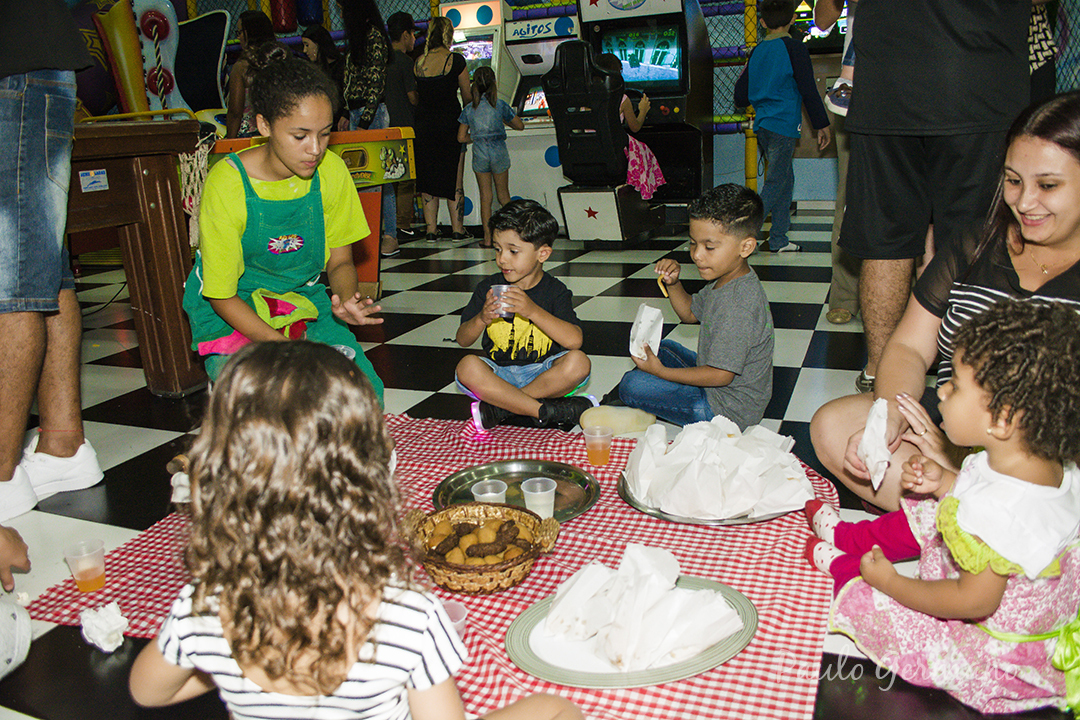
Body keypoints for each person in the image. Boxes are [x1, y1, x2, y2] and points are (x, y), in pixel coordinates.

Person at [128, 342, 584, 720]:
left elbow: (149, 693)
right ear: (373, 481)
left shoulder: (203, 607)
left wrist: (230, 664)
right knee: (554, 709)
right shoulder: (408, 616)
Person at [804, 299, 1080, 715]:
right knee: (928, 508)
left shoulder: (998, 514)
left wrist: (889, 583)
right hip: (1005, 589)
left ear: (1001, 419)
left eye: (955, 386)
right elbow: (979, 489)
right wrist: (945, 481)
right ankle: (849, 535)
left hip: (988, 645)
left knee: (884, 613)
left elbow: (971, 603)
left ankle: (848, 569)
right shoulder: (1045, 465)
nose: (941, 390)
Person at [811, 91, 1080, 513]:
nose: (1024, 202)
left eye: (1048, 185)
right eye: (1013, 181)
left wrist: (997, 466)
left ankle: (975, 515)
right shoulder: (976, 245)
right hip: (964, 434)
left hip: (1055, 463)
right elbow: (908, 347)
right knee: (834, 424)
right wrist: (892, 418)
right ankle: (972, 514)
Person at [838, 0, 1029, 393]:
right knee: (978, 244)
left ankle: (881, 383)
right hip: (977, 77)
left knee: (884, 244)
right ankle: (971, 394)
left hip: (886, 83)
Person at [181, 57, 384, 400]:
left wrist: (345, 300)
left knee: (360, 396)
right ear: (264, 125)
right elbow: (221, 295)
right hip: (236, 308)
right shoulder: (228, 184)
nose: (316, 149)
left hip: (302, 298)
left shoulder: (331, 171)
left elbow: (340, 263)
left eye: (324, 134)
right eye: (300, 136)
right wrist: (287, 350)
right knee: (272, 400)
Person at [0, 2, 103, 529]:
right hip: (31, 52)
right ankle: (62, 444)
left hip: (15, 59)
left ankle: (1, 473)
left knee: (11, 267)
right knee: (40, 257)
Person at [612, 184, 774, 430]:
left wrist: (661, 372)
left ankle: (652, 392)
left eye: (709, 247)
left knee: (630, 385)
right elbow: (688, 313)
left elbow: (721, 376)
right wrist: (674, 283)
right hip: (718, 385)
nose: (697, 255)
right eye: (692, 243)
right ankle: (662, 385)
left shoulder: (738, 305)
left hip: (726, 410)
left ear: (746, 247)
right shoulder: (726, 279)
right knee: (663, 347)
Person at [455, 199, 593, 430]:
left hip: (543, 373)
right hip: (499, 374)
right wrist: (481, 318)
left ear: (543, 254)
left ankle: (502, 406)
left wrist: (532, 310)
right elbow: (463, 339)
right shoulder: (487, 288)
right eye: (497, 249)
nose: (502, 259)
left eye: (513, 251)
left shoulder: (555, 290)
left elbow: (574, 341)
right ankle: (540, 410)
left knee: (579, 363)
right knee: (466, 366)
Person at [733, 0, 831, 254]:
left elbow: (739, 96)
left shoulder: (756, 52)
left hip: (763, 125)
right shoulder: (794, 48)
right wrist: (821, 124)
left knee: (786, 180)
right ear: (792, 21)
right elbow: (808, 89)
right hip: (784, 124)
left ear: (762, 22)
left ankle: (778, 239)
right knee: (776, 181)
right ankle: (739, 237)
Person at [414, 16, 472, 243]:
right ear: (449, 35)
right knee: (454, 178)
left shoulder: (419, 63)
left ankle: (430, 230)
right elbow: (467, 97)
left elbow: (417, 97)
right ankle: (457, 230)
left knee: (428, 179)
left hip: (424, 125)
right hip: (451, 124)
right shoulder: (456, 61)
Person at [457, 67, 524, 249]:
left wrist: (477, 137)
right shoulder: (500, 105)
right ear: (494, 83)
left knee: (485, 197)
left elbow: (461, 137)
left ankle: (488, 238)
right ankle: (515, 234)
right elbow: (520, 126)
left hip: (480, 154)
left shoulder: (469, 109)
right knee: (503, 196)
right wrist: (503, 122)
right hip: (499, 153)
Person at [593, 53, 666, 202]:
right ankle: (644, 190)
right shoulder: (622, 99)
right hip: (612, 151)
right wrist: (643, 110)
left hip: (591, 149)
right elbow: (635, 127)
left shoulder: (586, 97)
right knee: (643, 149)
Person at [382, 12, 421, 255]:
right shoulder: (407, 63)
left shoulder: (382, 62)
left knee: (387, 177)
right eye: (413, 34)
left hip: (384, 128)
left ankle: (387, 225)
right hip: (404, 126)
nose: (415, 38)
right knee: (406, 177)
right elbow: (412, 96)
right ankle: (402, 223)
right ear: (405, 35)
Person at [225, 11, 276, 139]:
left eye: (240, 32)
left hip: (249, 136)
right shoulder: (281, 59)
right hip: (278, 133)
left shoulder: (242, 67)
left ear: (250, 33)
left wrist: (229, 141)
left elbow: (235, 112)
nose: (239, 38)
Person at [300, 25, 347, 129]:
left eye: (307, 45)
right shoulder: (312, 70)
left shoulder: (342, 66)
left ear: (318, 44)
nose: (304, 50)